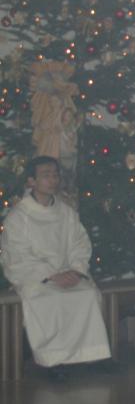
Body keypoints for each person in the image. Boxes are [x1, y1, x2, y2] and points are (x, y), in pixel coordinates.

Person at [0, 156, 112, 381]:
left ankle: (92, 357)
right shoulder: (18, 217)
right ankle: (54, 361)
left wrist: (76, 271)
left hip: (68, 274)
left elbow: (80, 244)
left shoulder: (66, 212)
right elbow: (17, 256)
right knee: (49, 300)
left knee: (86, 294)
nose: (53, 180)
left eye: (55, 175)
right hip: (38, 278)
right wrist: (51, 275)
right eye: (46, 175)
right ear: (31, 181)